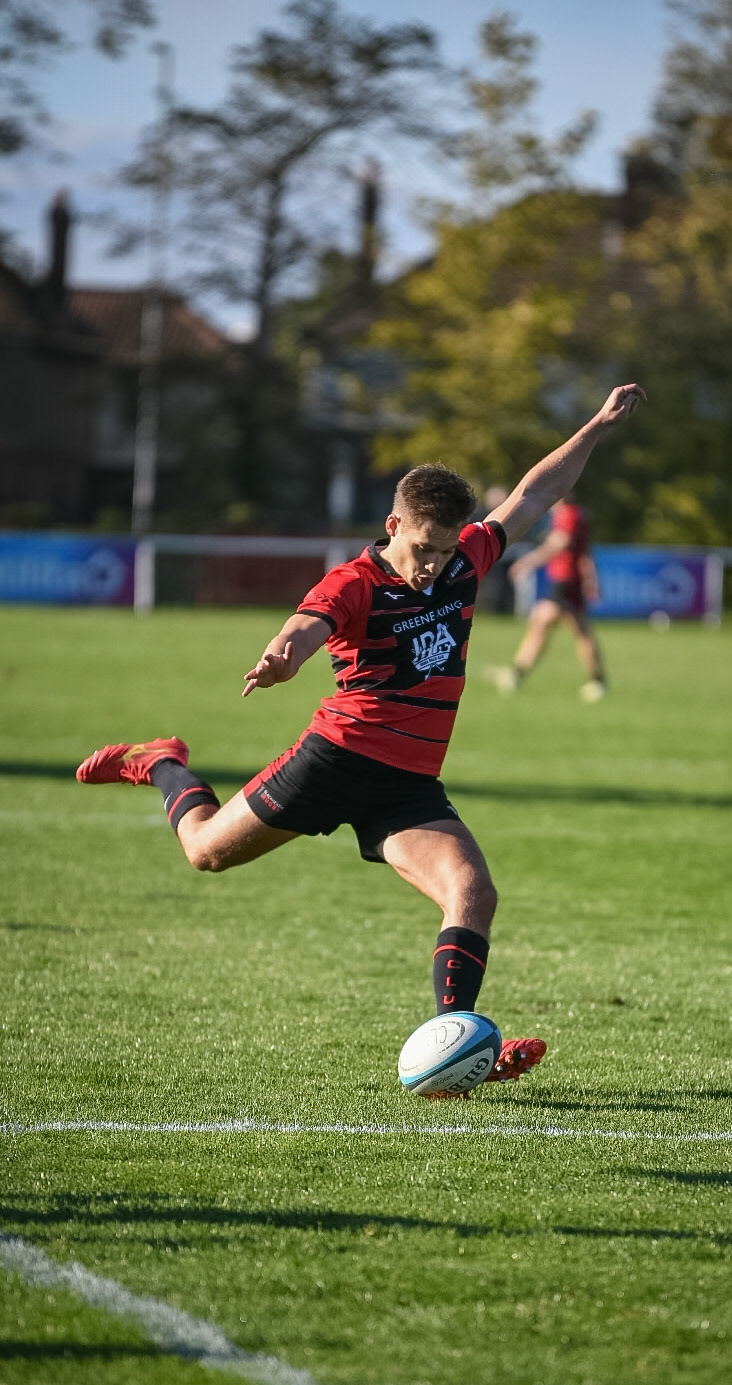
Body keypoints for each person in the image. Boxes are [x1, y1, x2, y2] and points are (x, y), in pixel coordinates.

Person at [77, 384, 646, 1098]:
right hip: (335, 761)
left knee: (473, 892)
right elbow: (306, 624)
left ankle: (458, 1045)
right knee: (204, 854)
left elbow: (533, 494)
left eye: (444, 549)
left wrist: (594, 425)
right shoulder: (356, 582)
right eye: (421, 547)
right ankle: (161, 762)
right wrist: (284, 654)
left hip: (407, 785)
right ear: (393, 524)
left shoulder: (468, 557)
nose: (433, 563)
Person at [490, 491, 608, 701]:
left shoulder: (567, 514)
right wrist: (591, 578)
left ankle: (597, 681)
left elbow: (558, 543)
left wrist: (528, 562)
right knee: (544, 623)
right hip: (566, 581)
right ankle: (517, 673)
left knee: (575, 630)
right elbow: (584, 552)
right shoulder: (577, 514)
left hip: (565, 581)